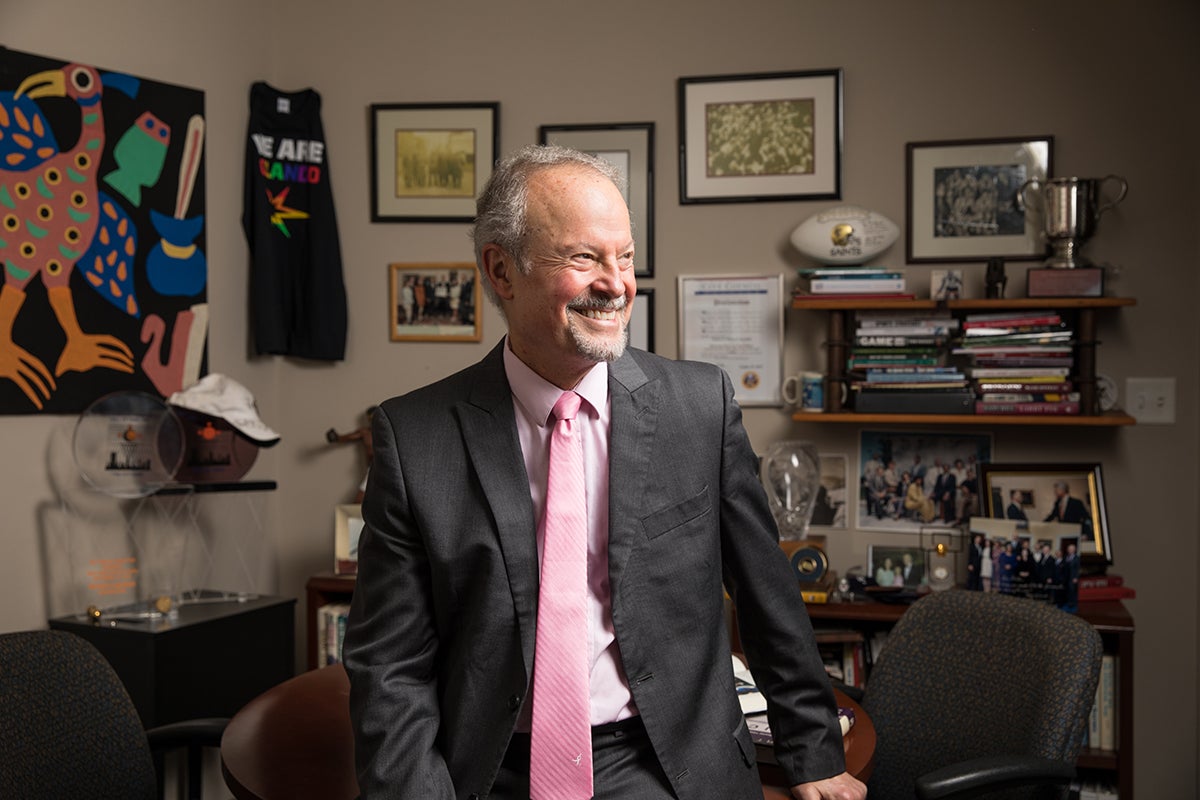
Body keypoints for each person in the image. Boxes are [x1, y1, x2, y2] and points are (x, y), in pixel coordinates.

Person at [341, 145, 864, 800]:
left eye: (625, 257)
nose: (617, 283)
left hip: (663, 761)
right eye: (584, 258)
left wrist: (813, 752)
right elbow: (390, 666)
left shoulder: (698, 408)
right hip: (493, 768)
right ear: (502, 271)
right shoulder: (415, 437)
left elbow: (766, 595)